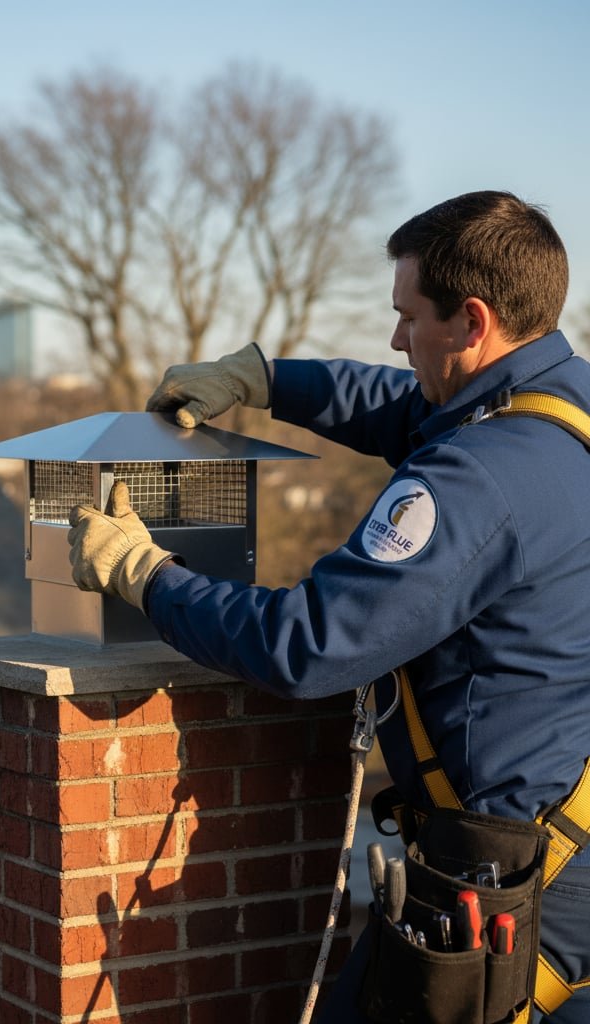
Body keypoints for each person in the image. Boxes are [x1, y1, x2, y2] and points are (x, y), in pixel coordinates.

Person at [67, 191, 590, 1023]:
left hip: (508, 885)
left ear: (472, 321)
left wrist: (146, 576)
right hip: (561, 844)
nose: (394, 338)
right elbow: (406, 405)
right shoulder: (564, 408)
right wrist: (265, 380)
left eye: (407, 316)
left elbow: (308, 646)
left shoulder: (477, 482)